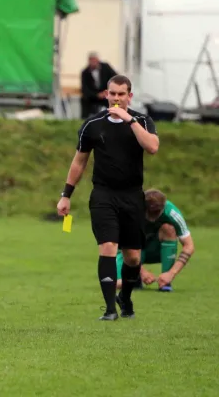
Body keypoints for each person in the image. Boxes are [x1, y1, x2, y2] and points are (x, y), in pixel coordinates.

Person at [57, 74, 159, 321]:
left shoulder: (142, 121)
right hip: (103, 195)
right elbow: (79, 161)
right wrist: (66, 195)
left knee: (133, 256)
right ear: (106, 94)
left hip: (133, 196)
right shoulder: (93, 125)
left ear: (129, 96)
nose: (116, 98)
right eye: (112, 93)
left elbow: (153, 147)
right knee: (108, 247)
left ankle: (125, 297)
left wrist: (130, 120)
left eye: (121, 94)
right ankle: (109, 309)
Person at [115, 189, 194, 292]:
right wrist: (142, 271)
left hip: (156, 250)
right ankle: (135, 278)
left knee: (168, 228)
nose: (153, 218)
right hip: (131, 251)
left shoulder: (172, 212)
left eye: (157, 213)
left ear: (163, 206)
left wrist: (171, 274)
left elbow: (189, 246)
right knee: (118, 284)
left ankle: (165, 282)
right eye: (150, 213)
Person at [80, 52, 117, 119]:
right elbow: (84, 89)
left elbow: (115, 78)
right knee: (84, 99)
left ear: (98, 60)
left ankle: (116, 115)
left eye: (95, 59)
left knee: (115, 99)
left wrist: (107, 91)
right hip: (93, 96)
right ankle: (84, 119)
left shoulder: (106, 67)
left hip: (107, 93)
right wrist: (97, 95)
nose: (93, 61)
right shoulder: (85, 72)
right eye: (91, 60)